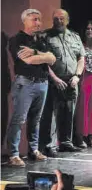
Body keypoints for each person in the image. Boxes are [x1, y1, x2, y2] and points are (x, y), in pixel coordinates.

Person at [6, 9, 55, 166]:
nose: (38, 23)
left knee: (36, 120)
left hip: (43, 83)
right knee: (19, 119)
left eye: (39, 19)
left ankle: (33, 150)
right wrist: (43, 57)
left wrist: (35, 52)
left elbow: (53, 59)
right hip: (25, 83)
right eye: (34, 19)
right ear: (25, 21)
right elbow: (28, 61)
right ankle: (13, 154)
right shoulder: (16, 39)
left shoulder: (41, 39)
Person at [40, 9, 85, 156]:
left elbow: (81, 58)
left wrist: (77, 76)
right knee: (52, 114)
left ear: (67, 20)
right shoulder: (46, 36)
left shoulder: (75, 37)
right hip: (54, 80)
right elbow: (44, 62)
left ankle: (66, 142)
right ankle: (50, 145)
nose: (58, 21)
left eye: (61, 18)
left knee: (69, 111)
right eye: (56, 19)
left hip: (72, 80)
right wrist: (55, 78)